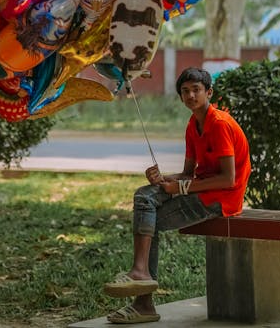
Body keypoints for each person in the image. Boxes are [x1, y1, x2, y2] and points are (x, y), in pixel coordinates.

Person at [104, 67, 251, 324]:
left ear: (209, 92)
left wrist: (180, 188)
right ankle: (140, 275)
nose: (191, 95)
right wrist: (165, 180)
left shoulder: (219, 124)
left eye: (196, 90)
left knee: (152, 223)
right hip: (202, 188)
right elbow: (187, 173)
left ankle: (143, 301)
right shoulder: (193, 124)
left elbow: (228, 179)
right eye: (185, 91)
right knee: (144, 196)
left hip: (221, 199)